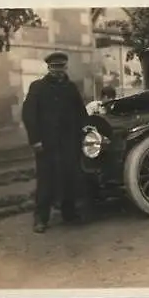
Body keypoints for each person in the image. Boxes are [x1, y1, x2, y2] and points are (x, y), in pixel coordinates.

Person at [22, 51, 89, 233]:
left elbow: (81, 113)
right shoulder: (38, 87)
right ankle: (40, 219)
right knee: (46, 181)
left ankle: (69, 213)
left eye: (61, 67)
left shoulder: (71, 88)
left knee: (69, 177)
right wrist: (35, 140)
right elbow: (29, 115)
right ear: (49, 68)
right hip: (46, 144)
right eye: (54, 68)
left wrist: (85, 132)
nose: (58, 71)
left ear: (66, 68)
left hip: (69, 143)